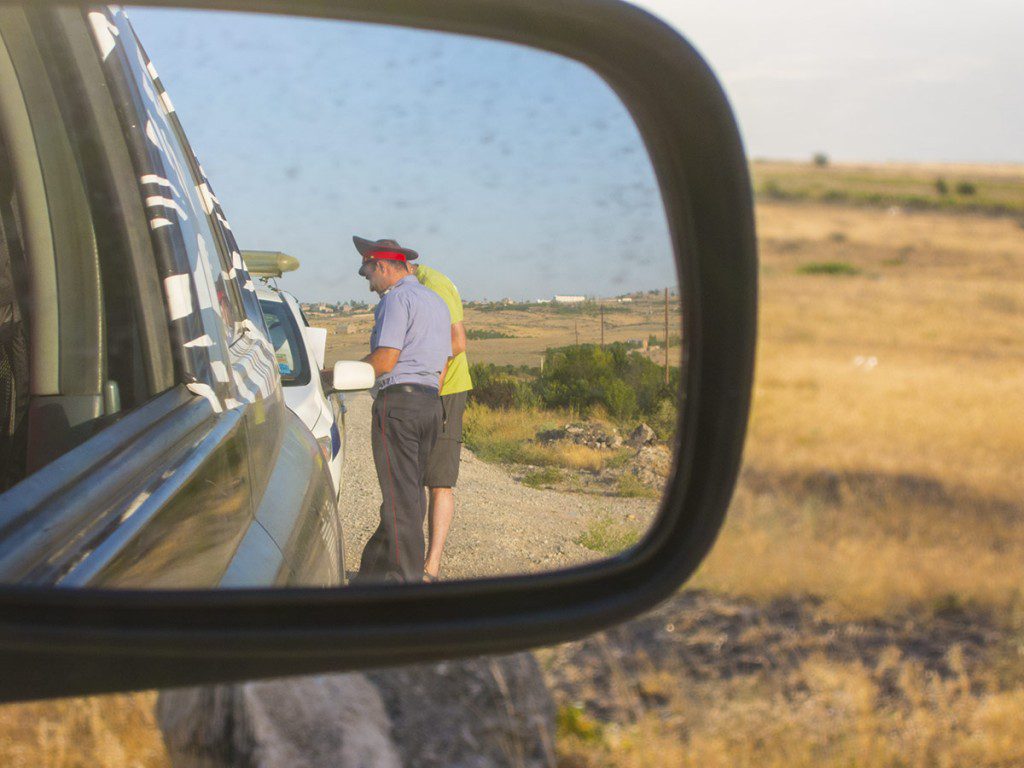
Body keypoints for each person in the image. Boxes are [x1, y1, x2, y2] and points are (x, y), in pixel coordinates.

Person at [353, 236, 452, 583]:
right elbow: (446, 360)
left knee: (401, 501)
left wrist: (338, 375)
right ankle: (369, 576)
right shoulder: (436, 301)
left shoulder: (396, 300)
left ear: (381, 266)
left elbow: (386, 358)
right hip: (429, 404)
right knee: (406, 496)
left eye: (367, 274)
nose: (368, 284)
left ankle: (404, 584)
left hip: (398, 405)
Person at [408, 261, 473, 582]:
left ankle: (430, 568)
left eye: (371, 269)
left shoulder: (433, 285)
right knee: (414, 478)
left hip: (443, 391)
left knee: (439, 480)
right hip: (421, 391)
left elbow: (457, 342)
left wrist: (432, 385)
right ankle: (410, 561)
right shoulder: (412, 286)